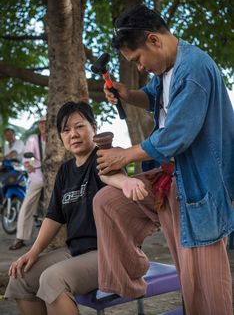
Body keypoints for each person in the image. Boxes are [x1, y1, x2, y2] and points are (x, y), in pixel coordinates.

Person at [93, 4, 234, 315]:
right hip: (170, 182)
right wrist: (127, 94)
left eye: (138, 59)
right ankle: (130, 282)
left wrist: (124, 155)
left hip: (202, 190)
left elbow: (175, 136)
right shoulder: (166, 69)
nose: (140, 67)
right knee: (107, 202)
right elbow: (154, 97)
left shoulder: (193, 68)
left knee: (204, 287)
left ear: (154, 41)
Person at [4, 101, 147, 315]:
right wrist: (33, 252)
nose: (73, 134)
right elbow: (53, 217)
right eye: (66, 130)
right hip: (76, 251)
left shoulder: (104, 158)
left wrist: (126, 182)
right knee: (20, 278)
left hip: (109, 253)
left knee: (53, 279)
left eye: (80, 126)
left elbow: (109, 175)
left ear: (94, 128)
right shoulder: (65, 171)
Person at [9, 116, 46, 250]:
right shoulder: (33, 139)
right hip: (38, 176)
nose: (43, 125)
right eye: (41, 123)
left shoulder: (57, 138)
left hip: (54, 178)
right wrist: (29, 165)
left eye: (45, 123)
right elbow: (27, 156)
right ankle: (20, 237)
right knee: (27, 205)